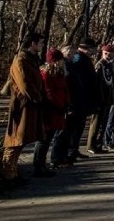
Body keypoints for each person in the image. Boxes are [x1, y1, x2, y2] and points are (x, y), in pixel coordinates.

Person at [2, 33, 45, 183]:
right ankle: (9, 174)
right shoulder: (21, 59)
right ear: (32, 44)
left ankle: (13, 172)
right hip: (22, 105)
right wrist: (36, 97)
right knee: (15, 140)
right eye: (40, 43)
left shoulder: (31, 60)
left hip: (30, 104)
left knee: (22, 140)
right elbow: (24, 82)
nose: (42, 45)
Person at [33, 47, 69, 177]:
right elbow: (48, 91)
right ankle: (38, 165)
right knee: (44, 138)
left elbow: (64, 89)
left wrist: (66, 102)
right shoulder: (45, 73)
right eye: (60, 60)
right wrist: (56, 105)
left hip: (59, 108)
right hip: (49, 109)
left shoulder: (60, 73)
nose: (62, 62)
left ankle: (42, 164)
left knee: (49, 138)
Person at [66, 39, 99, 163]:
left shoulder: (83, 58)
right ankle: (71, 150)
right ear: (87, 48)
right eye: (93, 48)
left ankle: (74, 149)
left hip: (84, 97)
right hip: (79, 97)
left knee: (79, 126)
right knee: (74, 127)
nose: (94, 51)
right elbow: (80, 78)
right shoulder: (78, 59)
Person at [87, 43, 114, 154]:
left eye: (110, 53)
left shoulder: (110, 65)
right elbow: (97, 84)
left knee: (103, 123)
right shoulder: (100, 65)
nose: (108, 55)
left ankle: (99, 144)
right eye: (106, 53)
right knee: (96, 123)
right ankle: (91, 145)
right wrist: (98, 99)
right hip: (100, 99)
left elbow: (110, 82)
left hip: (108, 98)